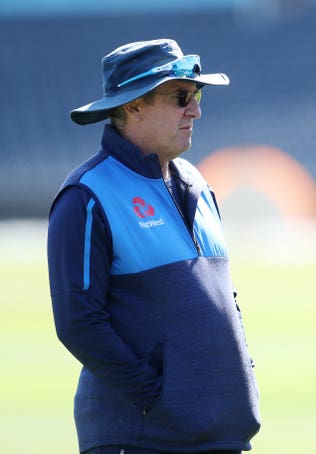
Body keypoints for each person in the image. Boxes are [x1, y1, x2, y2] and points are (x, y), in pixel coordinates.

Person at [47, 39, 260, 454]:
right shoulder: (86, 194)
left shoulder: (198, 182)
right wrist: (158, 398)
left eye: (196, 96)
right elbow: (78, 322)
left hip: (220, 432)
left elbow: (223, 300)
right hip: (144, 438)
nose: (195, 110)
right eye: (181, 97)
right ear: (133, 106)